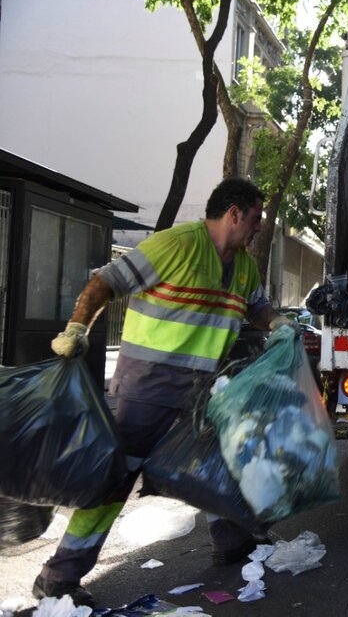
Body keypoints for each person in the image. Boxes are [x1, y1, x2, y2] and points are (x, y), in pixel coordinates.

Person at [33, 178, 296, 607]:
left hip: (203, 389)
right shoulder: (175, 245)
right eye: (254, 219)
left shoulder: (244, 265)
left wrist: (277, 322)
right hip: (149, 385)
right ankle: (59, 577)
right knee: (116, 479)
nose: (257, 228)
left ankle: (231, 542)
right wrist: (77, 328)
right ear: (233, 213)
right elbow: (106, 282)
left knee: (214, 464)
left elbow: (256, 306)